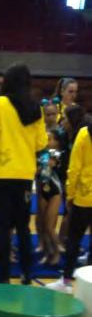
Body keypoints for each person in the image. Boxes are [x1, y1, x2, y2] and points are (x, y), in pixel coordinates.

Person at [0, 63, 47, 284]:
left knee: (2, 226)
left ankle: (3, 277)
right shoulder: (35, 107)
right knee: (23, 226)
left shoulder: (0, 103)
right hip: (24, 174)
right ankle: (27, 275)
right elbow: (42, 142)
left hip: (0, 173)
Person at [47, 122, 92, 293]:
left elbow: (74, 169)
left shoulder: (84, 134)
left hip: (83, 197)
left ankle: (66, 281)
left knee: (74, 240)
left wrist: (70, 195)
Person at [35, 128, 64, 266]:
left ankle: (57, 252)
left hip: (54, 192)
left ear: (57, 142)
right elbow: (37, 172)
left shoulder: (57, 154)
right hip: (42, 190)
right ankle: (47, 252)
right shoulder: (41, 153)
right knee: (42, 224)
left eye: (50, 139)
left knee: (49, 226)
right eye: (45, 139)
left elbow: (52, 165)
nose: (47, 141)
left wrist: (45, 161)